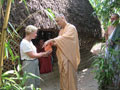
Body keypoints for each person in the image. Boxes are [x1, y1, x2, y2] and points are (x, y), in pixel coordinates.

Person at [43, 14, 80, 90]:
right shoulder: (61, 31)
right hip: (62, 58)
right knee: (63, 77)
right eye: (56, 22)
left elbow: (65, 39)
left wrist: (51, 40)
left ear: (63, 18)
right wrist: (52, 44)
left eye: (58, 21)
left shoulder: (71, 28)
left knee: (70, 78)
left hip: (69, 58)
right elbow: (59, 42)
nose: (57, 23)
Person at [20, 25, 51, 90]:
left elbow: (34, 54)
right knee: (30, 82)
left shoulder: (30, 42)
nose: (36, 35)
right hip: (29, 64)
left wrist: (44, 54)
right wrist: (43, 54)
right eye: (35, 33)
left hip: (34, 62)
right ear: (30, 33)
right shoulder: (24, 43)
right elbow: (32, 55)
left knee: (36, 80)